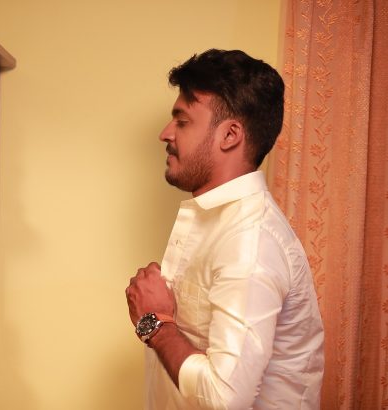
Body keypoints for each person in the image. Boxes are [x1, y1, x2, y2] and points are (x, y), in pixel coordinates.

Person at [125, 49, 324, 409]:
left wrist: (154, 323)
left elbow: (224, 398)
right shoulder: (219, 221)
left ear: (230, 135)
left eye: (182, 121)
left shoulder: (250, 241)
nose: (165, 134)